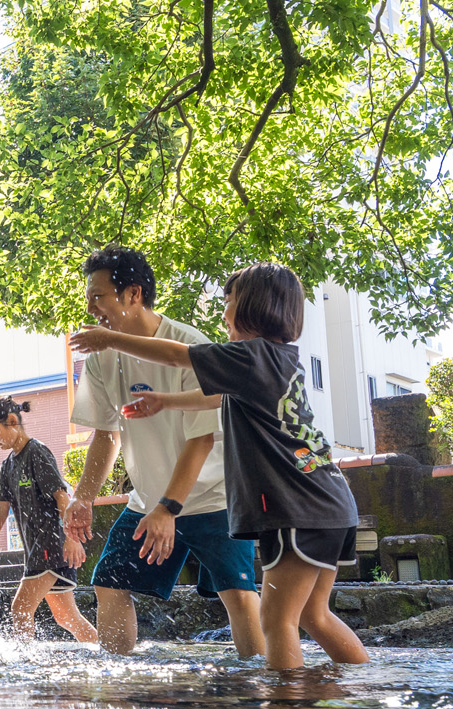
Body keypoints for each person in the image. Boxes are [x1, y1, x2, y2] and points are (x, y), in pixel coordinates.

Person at [69, 262, 370, 671]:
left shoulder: (248, 355)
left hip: (298, 507)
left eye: (229, 302)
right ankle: (364, 683)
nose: (223, 312)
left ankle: (286, 703)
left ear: (253, 307)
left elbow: (176, 356)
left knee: (276, 618)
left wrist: (109, 339)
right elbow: (217, 397)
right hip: (329, 501)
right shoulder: (278, 359)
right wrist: (166, 402)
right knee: (313, 616)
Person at [64, 246, 265, 659]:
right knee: (109, 582)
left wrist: (168, 509)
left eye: (98, 296)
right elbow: (106, 433)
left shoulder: (189, 345)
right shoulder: (102, 359)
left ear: (133, 294)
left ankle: (267, 684)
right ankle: (119, 676)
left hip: (213, 496)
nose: (91, 308)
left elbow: (202, 439)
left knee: (238, 594)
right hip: (148, 501)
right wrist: (83, 497)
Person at [0, 397, 100, 643]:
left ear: (12, 421)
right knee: (66, 617)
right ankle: (104, 652)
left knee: (21, 608)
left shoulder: (36, 452)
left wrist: (72, 538)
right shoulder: (8, 466)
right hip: (36, 550)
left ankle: (25, 660)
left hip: (51, 545)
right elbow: (0, 511)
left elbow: (62, 497)